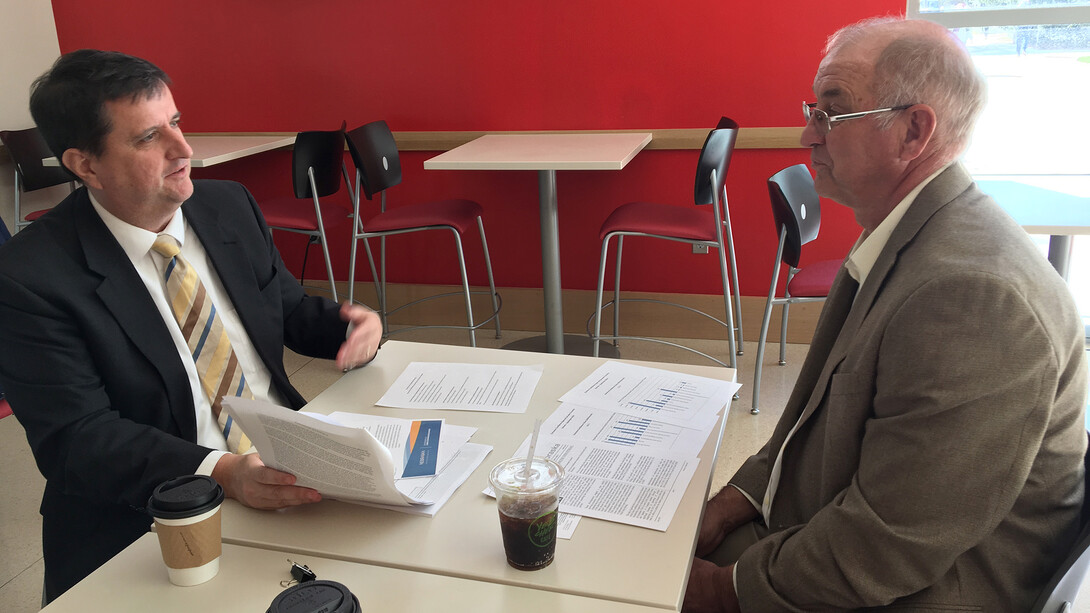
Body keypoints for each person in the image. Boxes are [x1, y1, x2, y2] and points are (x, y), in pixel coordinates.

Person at [684, 17, 1087, 612]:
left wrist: (721, 591)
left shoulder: (973, 297)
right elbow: (811, 421)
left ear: (912, 132)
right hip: (853, 537)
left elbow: (888, 546)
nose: (805, 136)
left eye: (830, 112)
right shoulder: (911, 230)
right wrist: (730, 504)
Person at [0, 49, 383, 602]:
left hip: (292, 473)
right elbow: (77, 440)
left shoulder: (227, 206)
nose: (184, 149)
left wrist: (351, 327)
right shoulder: (31, 276)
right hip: (151, 516)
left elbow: (289, 312)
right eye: (148, 138)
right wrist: (222, 470)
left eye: (176, 122)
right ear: (85, 165)